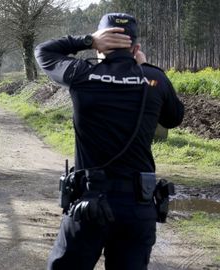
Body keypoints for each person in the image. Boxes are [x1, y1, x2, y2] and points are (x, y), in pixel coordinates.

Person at [35, 13, 184, 270]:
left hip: (88, 205)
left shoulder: (81, 74)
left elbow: (44, 52)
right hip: (138, 206)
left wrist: (87, 41)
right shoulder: (155, 80)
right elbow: (174, 118)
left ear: (101, 44)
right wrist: (144, 70)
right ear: (136, 47)